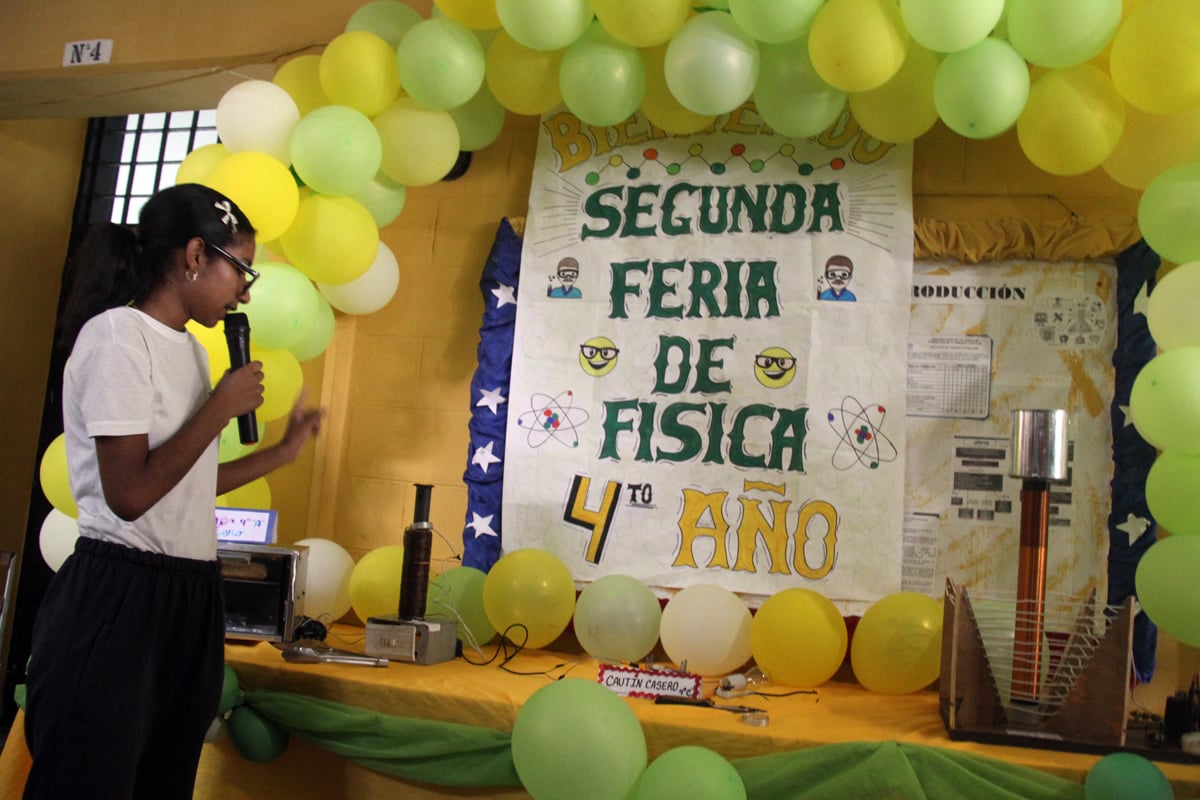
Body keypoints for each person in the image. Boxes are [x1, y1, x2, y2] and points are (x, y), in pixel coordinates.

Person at [22, 183, 323, 799]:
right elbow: (131, 492)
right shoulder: (116, 338)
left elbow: (180, 485)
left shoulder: (189, 349)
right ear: (193, 255)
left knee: (163, 779)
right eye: (241, 268)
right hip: (119, 594)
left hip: (188, 594)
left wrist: (280, 453)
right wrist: (219, 407)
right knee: (91, 779)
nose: (245, 290)